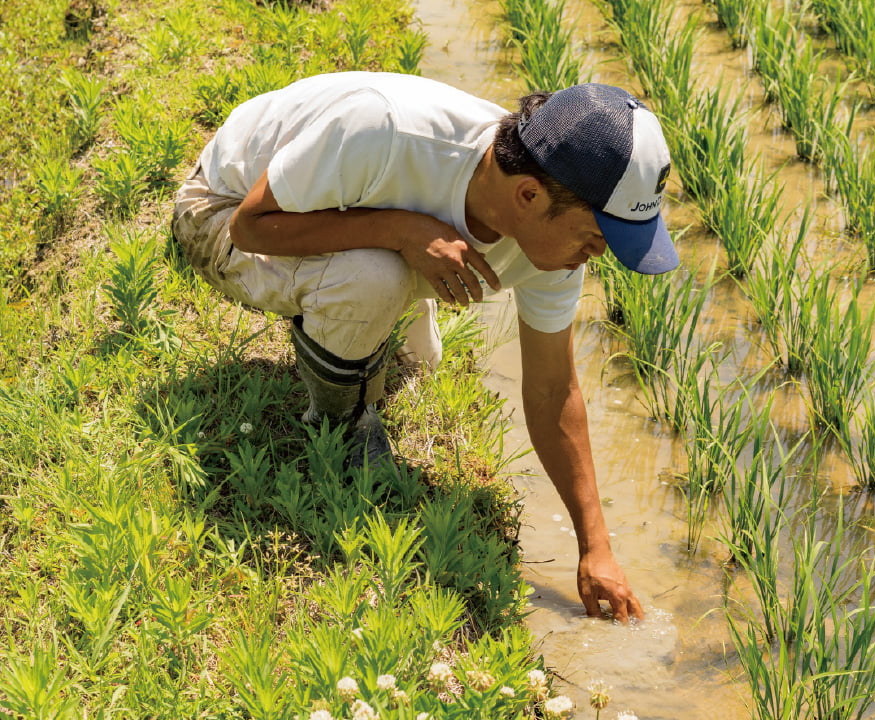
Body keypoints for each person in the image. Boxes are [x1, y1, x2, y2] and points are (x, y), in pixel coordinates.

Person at [172, 71, 678, 623]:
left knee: (420, 360)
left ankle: (370, 314)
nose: (598, 255)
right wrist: (403, 230)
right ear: (529, 195)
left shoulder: (553, 236)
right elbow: (251, 226)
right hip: (224, 205)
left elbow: (554, 387)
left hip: (343, 213)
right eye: (598, 237)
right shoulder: (385, 130)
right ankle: (338, 423)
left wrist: (594, 545)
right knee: (372, 279)